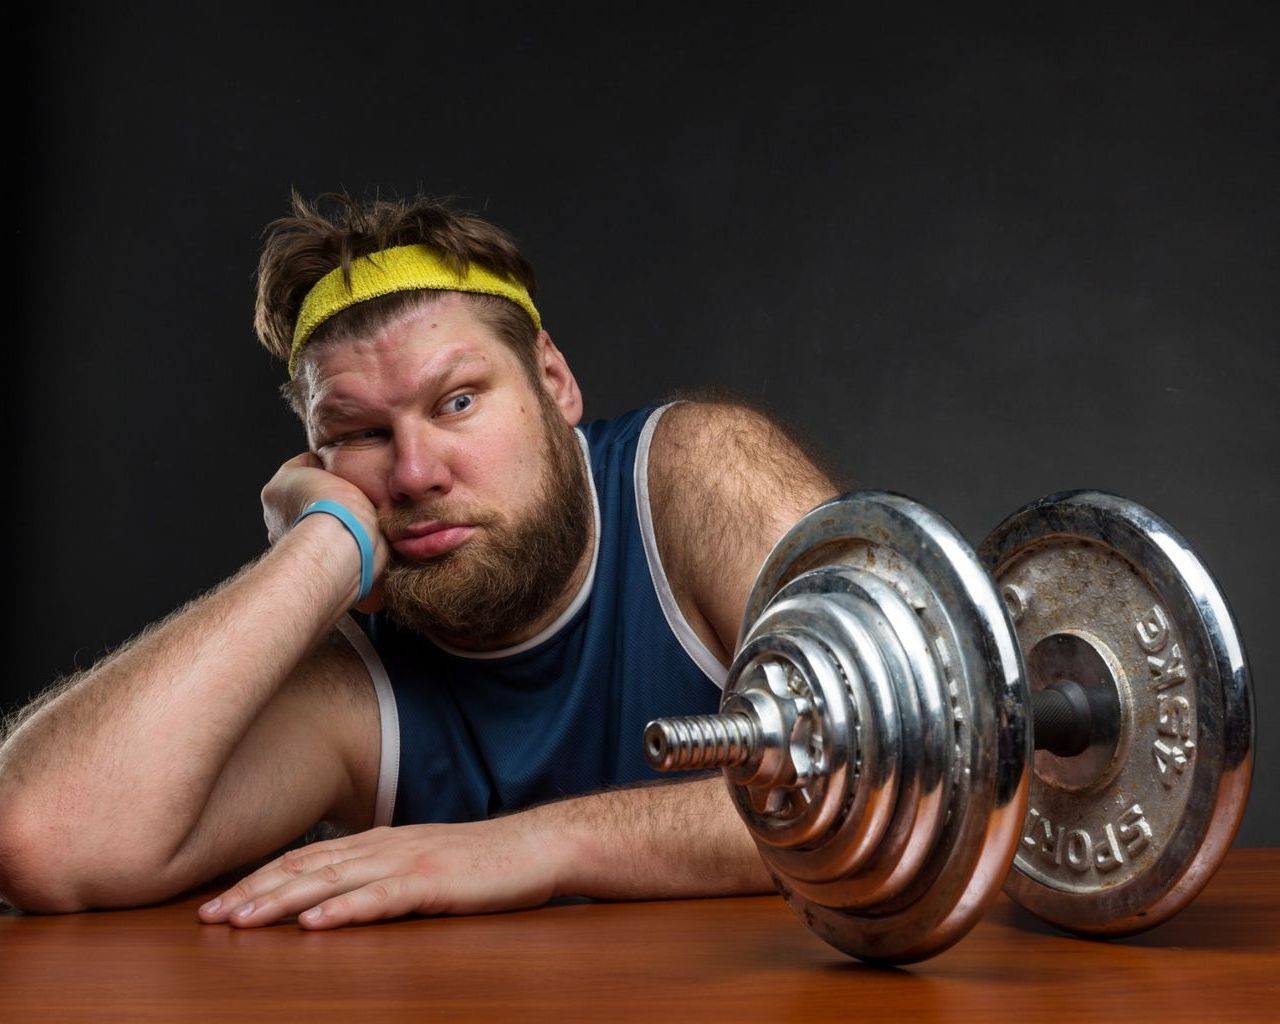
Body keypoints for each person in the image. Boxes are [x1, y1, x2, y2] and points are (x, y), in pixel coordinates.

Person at [0, 192, 842, 930]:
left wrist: (535, 846)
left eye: (458, 402)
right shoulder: (356, 681)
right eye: (360, 434)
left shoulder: (696, 474)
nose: (412, 474)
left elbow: (892, 771)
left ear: (553, 380)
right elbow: (41, 838)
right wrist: (323, 545)